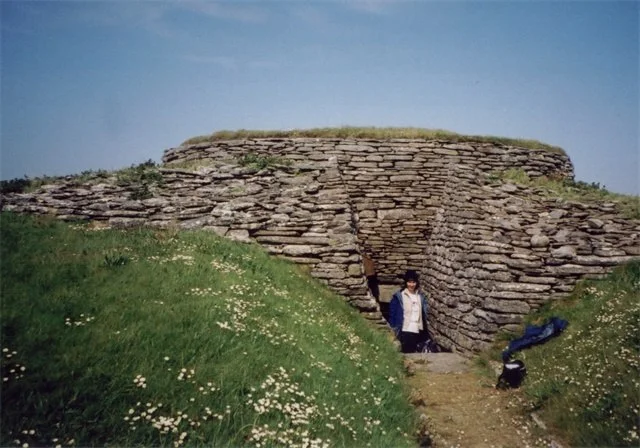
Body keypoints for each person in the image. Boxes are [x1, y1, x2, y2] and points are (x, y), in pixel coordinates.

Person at [389, 270, 429, 353]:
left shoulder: (420, 296)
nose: (411, 285)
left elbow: (423, 313)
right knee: (408, 352)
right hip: (406, 329)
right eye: (409, 282)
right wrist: (393, 329)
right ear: (406, 282)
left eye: (413, 282)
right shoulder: (400, 296)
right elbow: (392, 314)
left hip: (418, 330)